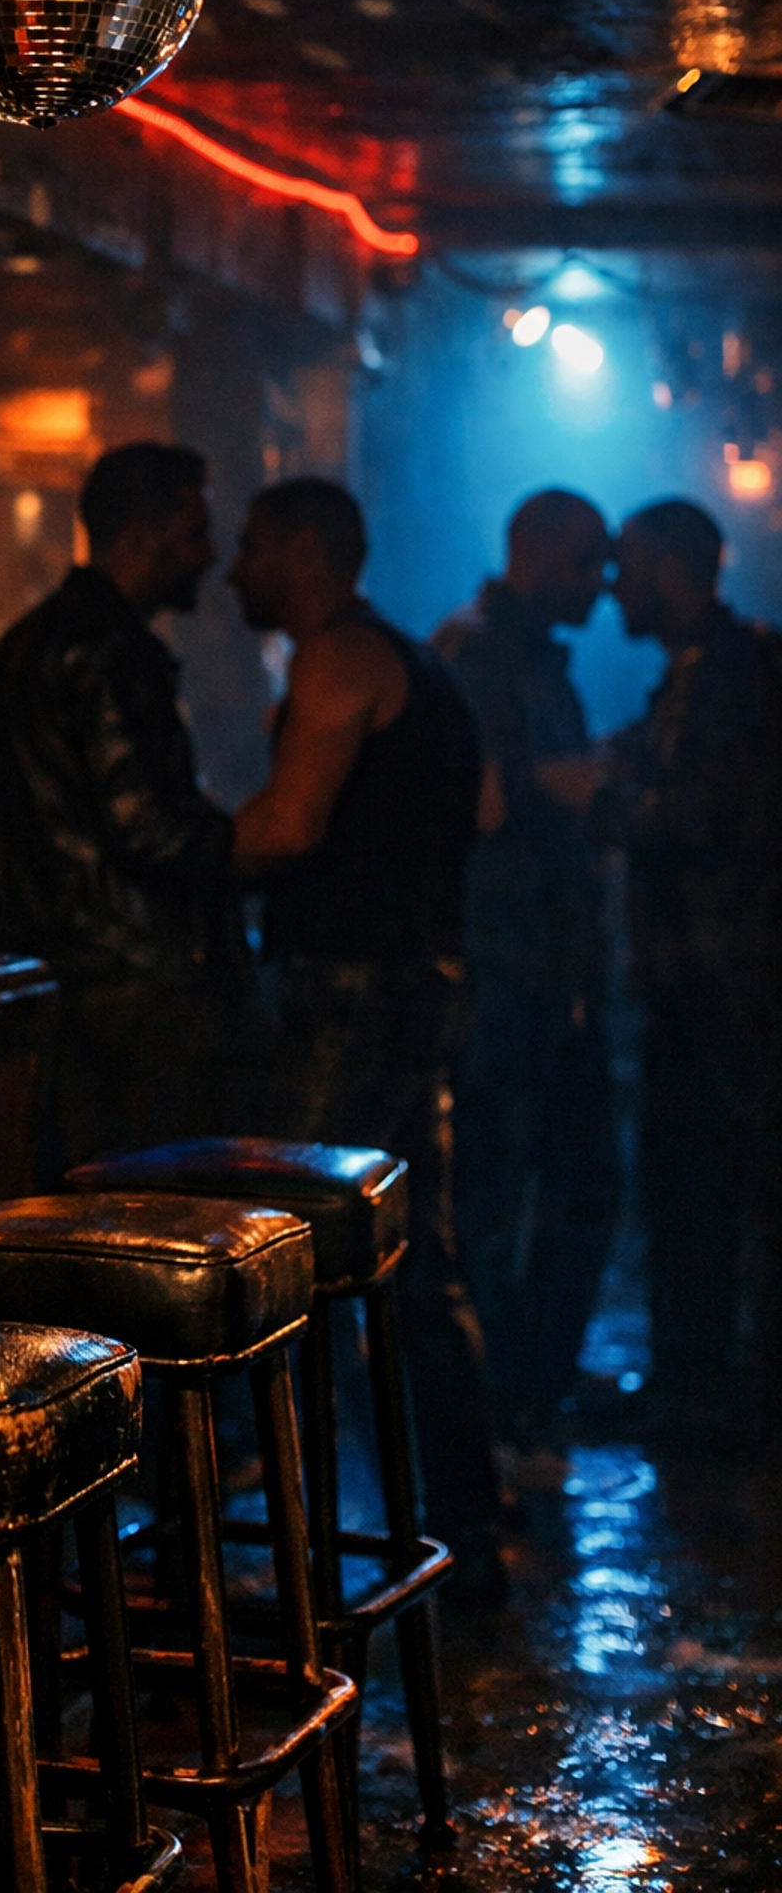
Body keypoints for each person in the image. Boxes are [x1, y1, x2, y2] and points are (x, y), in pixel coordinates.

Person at [230, 477, 504, 1600]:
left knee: (289, 1247)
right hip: (423, 985)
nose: (235, 567)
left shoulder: (338, 658)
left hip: (354, 991)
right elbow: (482, 815)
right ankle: (468, 1529)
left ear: (303, 551)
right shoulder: (418, 663)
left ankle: (301, 1546)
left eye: (250, 545)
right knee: (419, 1262)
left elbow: (287, 827)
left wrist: (164, 845)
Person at [0, 441, 264, 1174]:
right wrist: (257, 844)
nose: (209, 555)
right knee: (157, 1216)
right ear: (144, 534)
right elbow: (147, 827)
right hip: (139, 993)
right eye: (196, 533)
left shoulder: (22, 648)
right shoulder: (112, 651)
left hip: (57, 977)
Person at [433, 490, 619, 1446]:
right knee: (500, 1195)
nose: (603, 583)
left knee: (570, 1182)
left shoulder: (522, 658)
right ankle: (501, 1394)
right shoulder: (480, 654)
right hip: (505, 970)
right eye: (588, 561)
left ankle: (523, 1384)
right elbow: (488, 804)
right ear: (537, 553)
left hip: (542, 970)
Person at [608, 498, 782, 1432]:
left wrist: (599, 801)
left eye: (628, 567)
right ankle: (705, 1389)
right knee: (699, 1191)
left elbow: (701, 817)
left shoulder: (730, 678)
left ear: (677, 570)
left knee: (709, 1191)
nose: (612, 587)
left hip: (725, 987)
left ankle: (712, 1398)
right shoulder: (711, 673)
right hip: (712, 983)